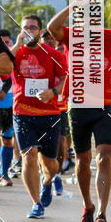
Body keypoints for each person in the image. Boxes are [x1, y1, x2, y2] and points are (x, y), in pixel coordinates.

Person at [48, 5, 111, 222]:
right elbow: (51, 27)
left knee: (105, 157)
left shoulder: (109, 37)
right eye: (83, 18)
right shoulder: (71, 35)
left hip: (105, 104)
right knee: (82, 161)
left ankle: (101, 212)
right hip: (78, 105)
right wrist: (71, 6)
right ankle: (87, 205)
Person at [0, 14, 66, 218]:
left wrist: (52, 92)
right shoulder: (16, 53)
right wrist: (18, 43)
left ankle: (48, 181)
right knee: (29, 154)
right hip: (22, 112)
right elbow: (4, 68)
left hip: (50, 113)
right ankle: (36, 203)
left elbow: (65, 80)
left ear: (40, 31)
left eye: (33, 28)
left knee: (51, 165)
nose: (29, 30)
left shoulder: (54, 54)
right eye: (25, 27)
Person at [41, 30, 69, 196]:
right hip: (40, 107)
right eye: (46, 38)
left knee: (60, 143)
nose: (50, 41)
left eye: (52, 38)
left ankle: (55, 174)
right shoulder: (37, 56)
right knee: (40, 148)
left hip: (61, 107)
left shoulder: (62, 57)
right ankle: (46, 176)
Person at [0, 29, 15, 186]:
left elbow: (8, 78)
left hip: (8, 103)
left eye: (7, 42)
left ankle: (5, 174)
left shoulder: (11, 56)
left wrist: (3, 91)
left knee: (8, 140)